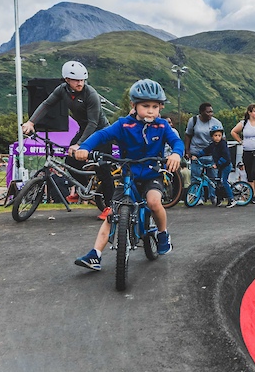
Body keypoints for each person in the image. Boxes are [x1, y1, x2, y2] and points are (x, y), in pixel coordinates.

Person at [71, 79, 183, 270]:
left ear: (160, 108)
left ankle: (163, 233)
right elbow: (101, 135)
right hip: (128, 175)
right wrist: (85, 147)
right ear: (134, 105)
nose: (150, 111)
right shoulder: (123, 125)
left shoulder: (162, 126)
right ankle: (95, 254)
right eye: (145, 106)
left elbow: (176, 142)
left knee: (154, 202)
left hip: (151, 174)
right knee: (113, 213)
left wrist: (175, 154)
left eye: (155, 107)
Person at [23, 61, 114, 218]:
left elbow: (93, 123)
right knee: (70, 161)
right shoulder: (62, 90)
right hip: (84, 130)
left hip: (102, 133)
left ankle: (111, 206)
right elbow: (46, 105)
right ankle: (83, 189)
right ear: (67, 80)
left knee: (102, 169)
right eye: (76, 80)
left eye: (82, 80)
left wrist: (79, 144)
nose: (80, 83)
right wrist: (31, 122)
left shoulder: (90, 94)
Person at [196, 125, 236, 207]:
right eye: (215, 135)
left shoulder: (223, 144)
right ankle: (219, 199)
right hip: (220, 166)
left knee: (223, 181)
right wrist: (197, 155)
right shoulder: (213, 145)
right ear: (212, 136)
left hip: (226, 165)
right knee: (218, 182)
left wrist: (217, 164)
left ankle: (231, 199)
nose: (217, 137)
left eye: (219, 136)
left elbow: (226, 157)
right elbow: (206, 150)